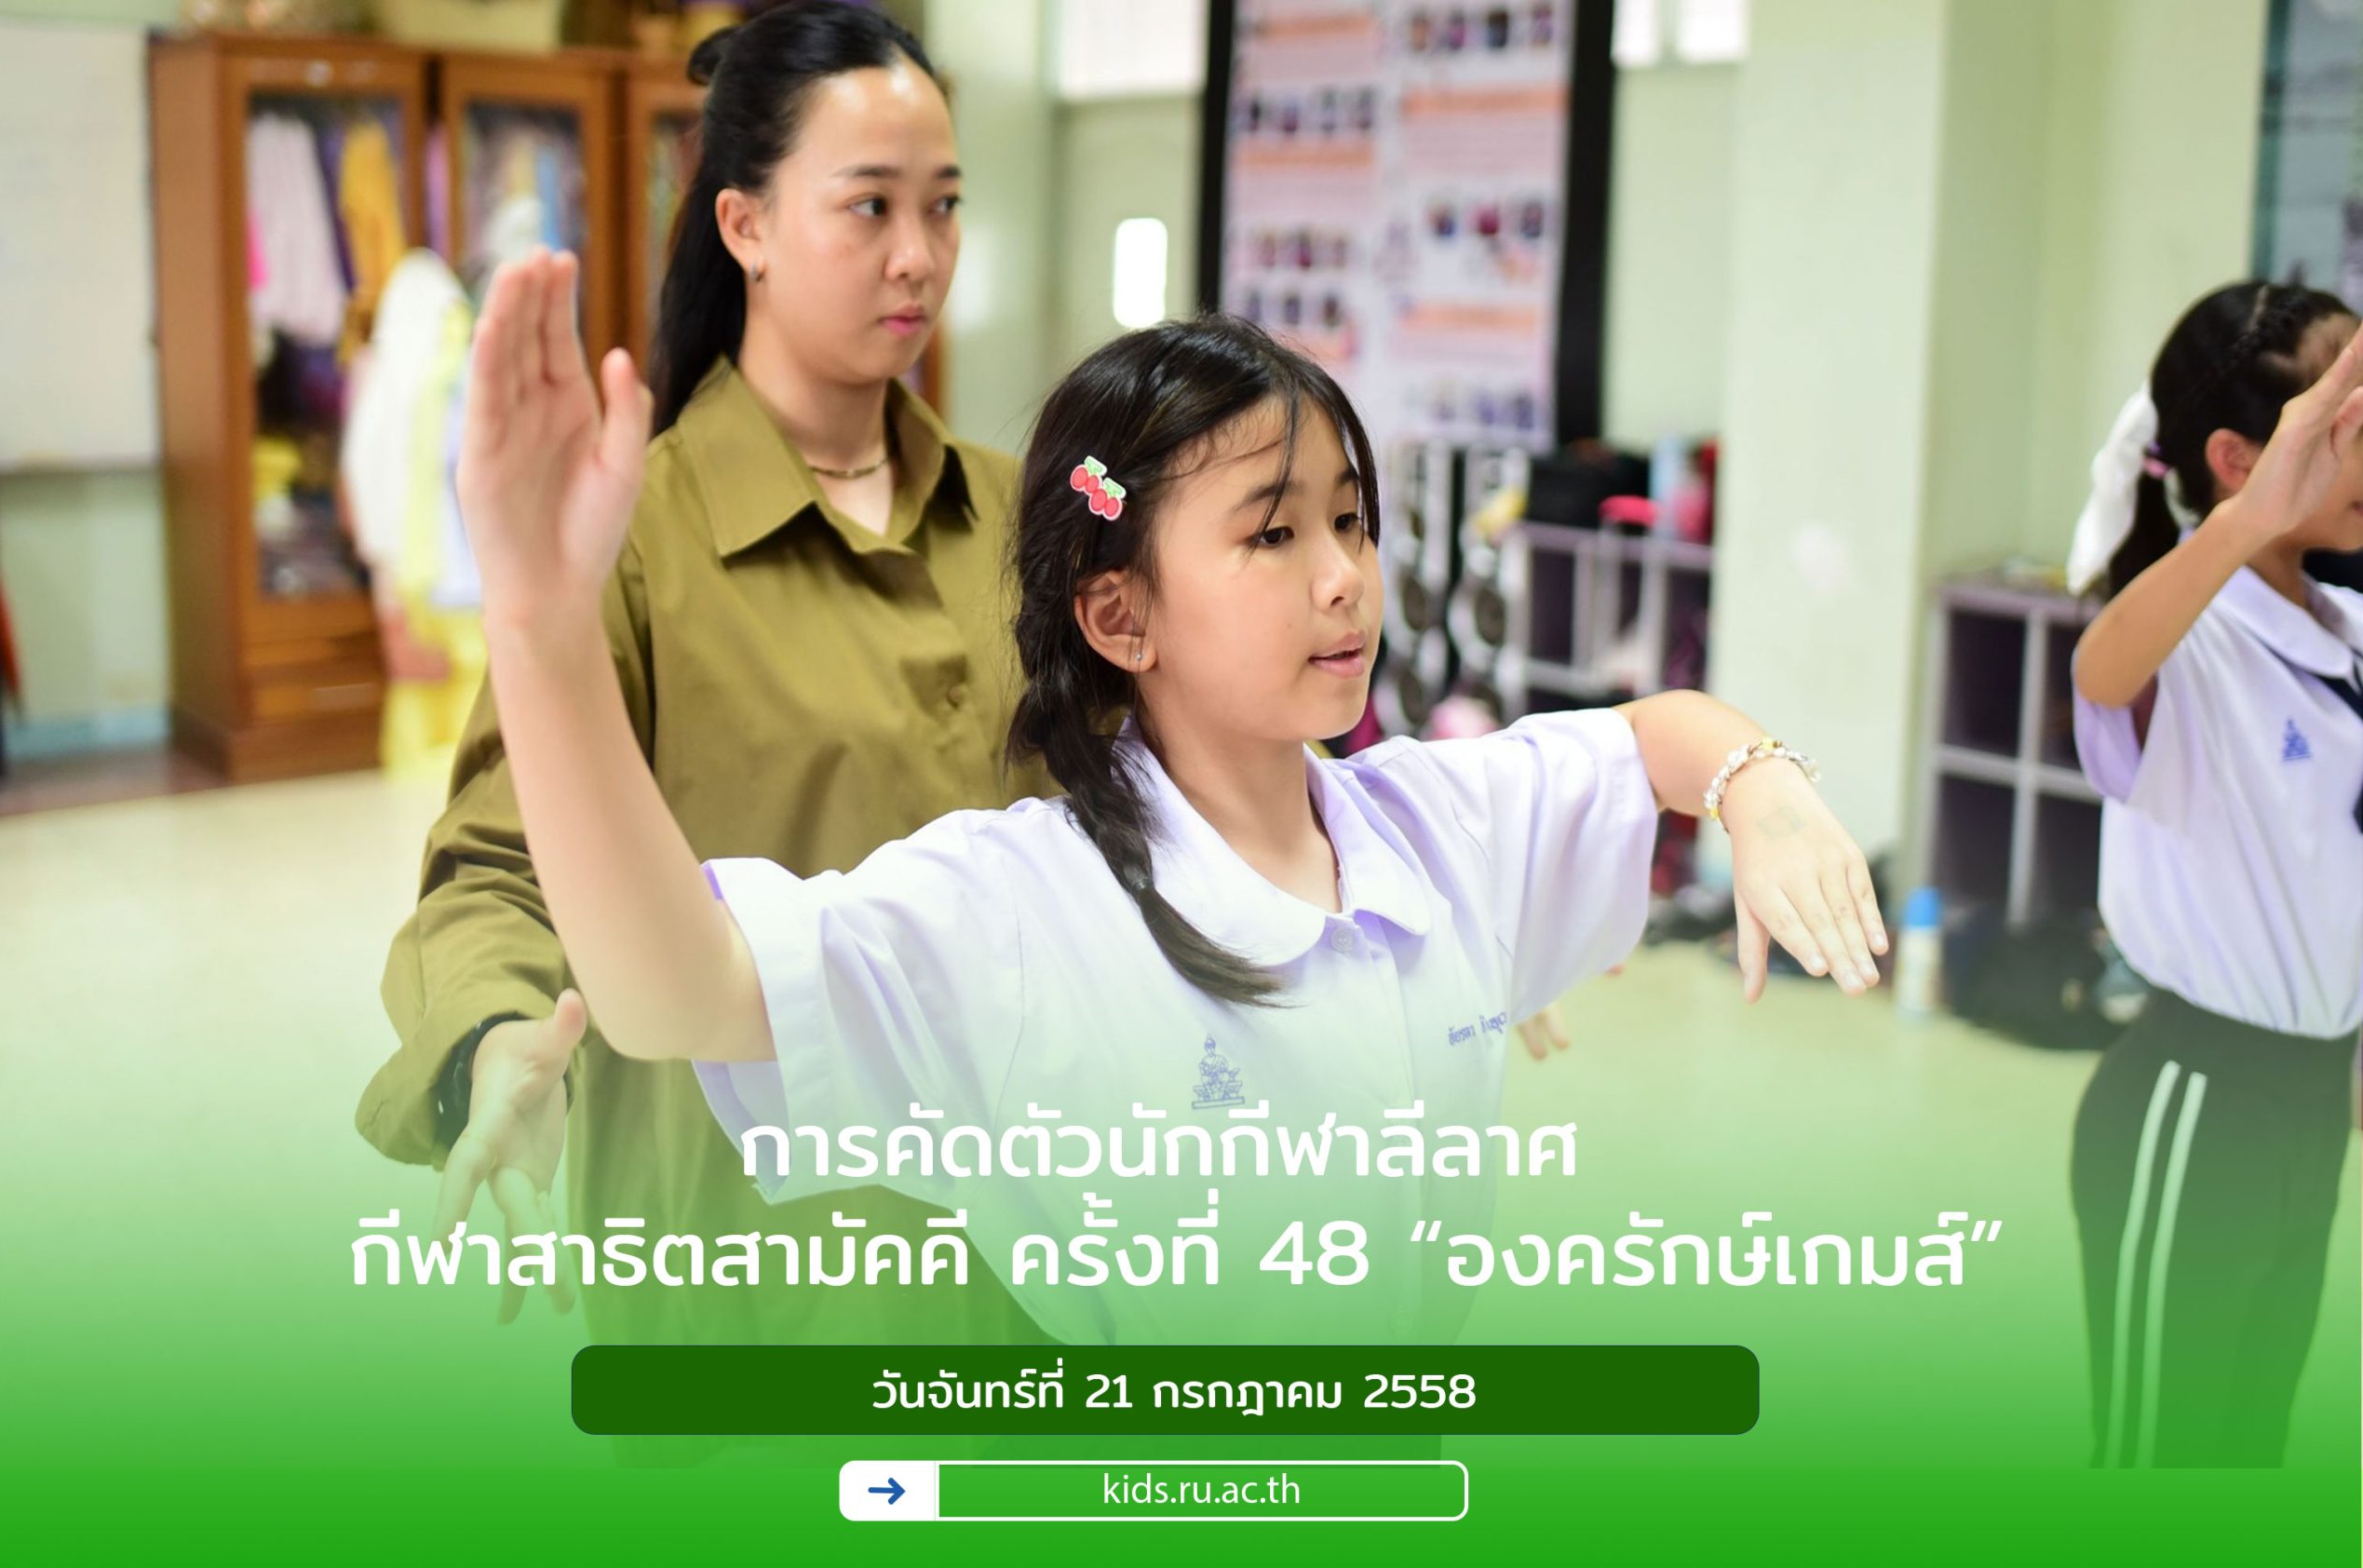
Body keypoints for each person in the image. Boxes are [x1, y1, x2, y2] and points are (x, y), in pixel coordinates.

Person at [449, 243, 1890, 1345]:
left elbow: (1656, 738)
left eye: (1351, 521)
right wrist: (541, 627)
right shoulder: (1021, 910)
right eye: (1273, 535)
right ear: (1121, 616)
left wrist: (1757, 785)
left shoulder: (1434, 827)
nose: (1345, 576)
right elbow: (679, 992)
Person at [357, 1, 1048, 1350]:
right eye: (870, 206)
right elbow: (498, 864)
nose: (920, 255)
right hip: (754, 1272)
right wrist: (495, 1039)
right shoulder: (630, 539)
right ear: (745, 225)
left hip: (1020, 1262)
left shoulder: (1026, 512)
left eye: (945, 205)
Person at [2066, 280, 2363, 1467]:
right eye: (2339, 422)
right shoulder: (2193, 635)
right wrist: (2240, 530)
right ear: (2239, 461)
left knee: (2241, 1466)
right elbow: (2100, 671)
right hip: (2197, 1102)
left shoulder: (2339, 631)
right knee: (2159, 1479)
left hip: (2309, 1106)